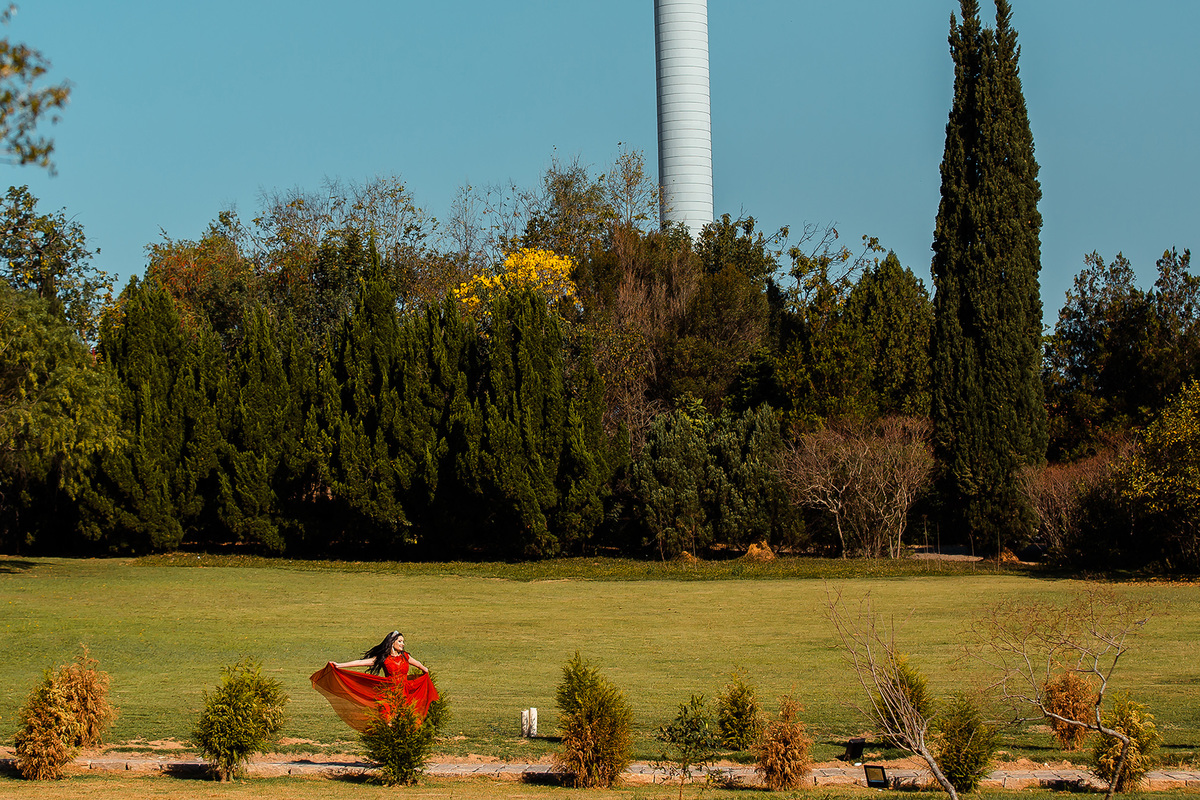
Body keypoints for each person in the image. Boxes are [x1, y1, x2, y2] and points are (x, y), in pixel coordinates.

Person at [310, 631, 440, 732]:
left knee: (407, 719)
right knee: (388, 720)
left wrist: (424, 671)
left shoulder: (406, 656)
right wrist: (340, 665)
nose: (403, 644)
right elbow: (361, 662)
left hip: (405, 691)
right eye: (400, 641)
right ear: (392, 642)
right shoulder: (383, 658)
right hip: (389, 692)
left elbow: (419, 665)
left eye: (403, 641)